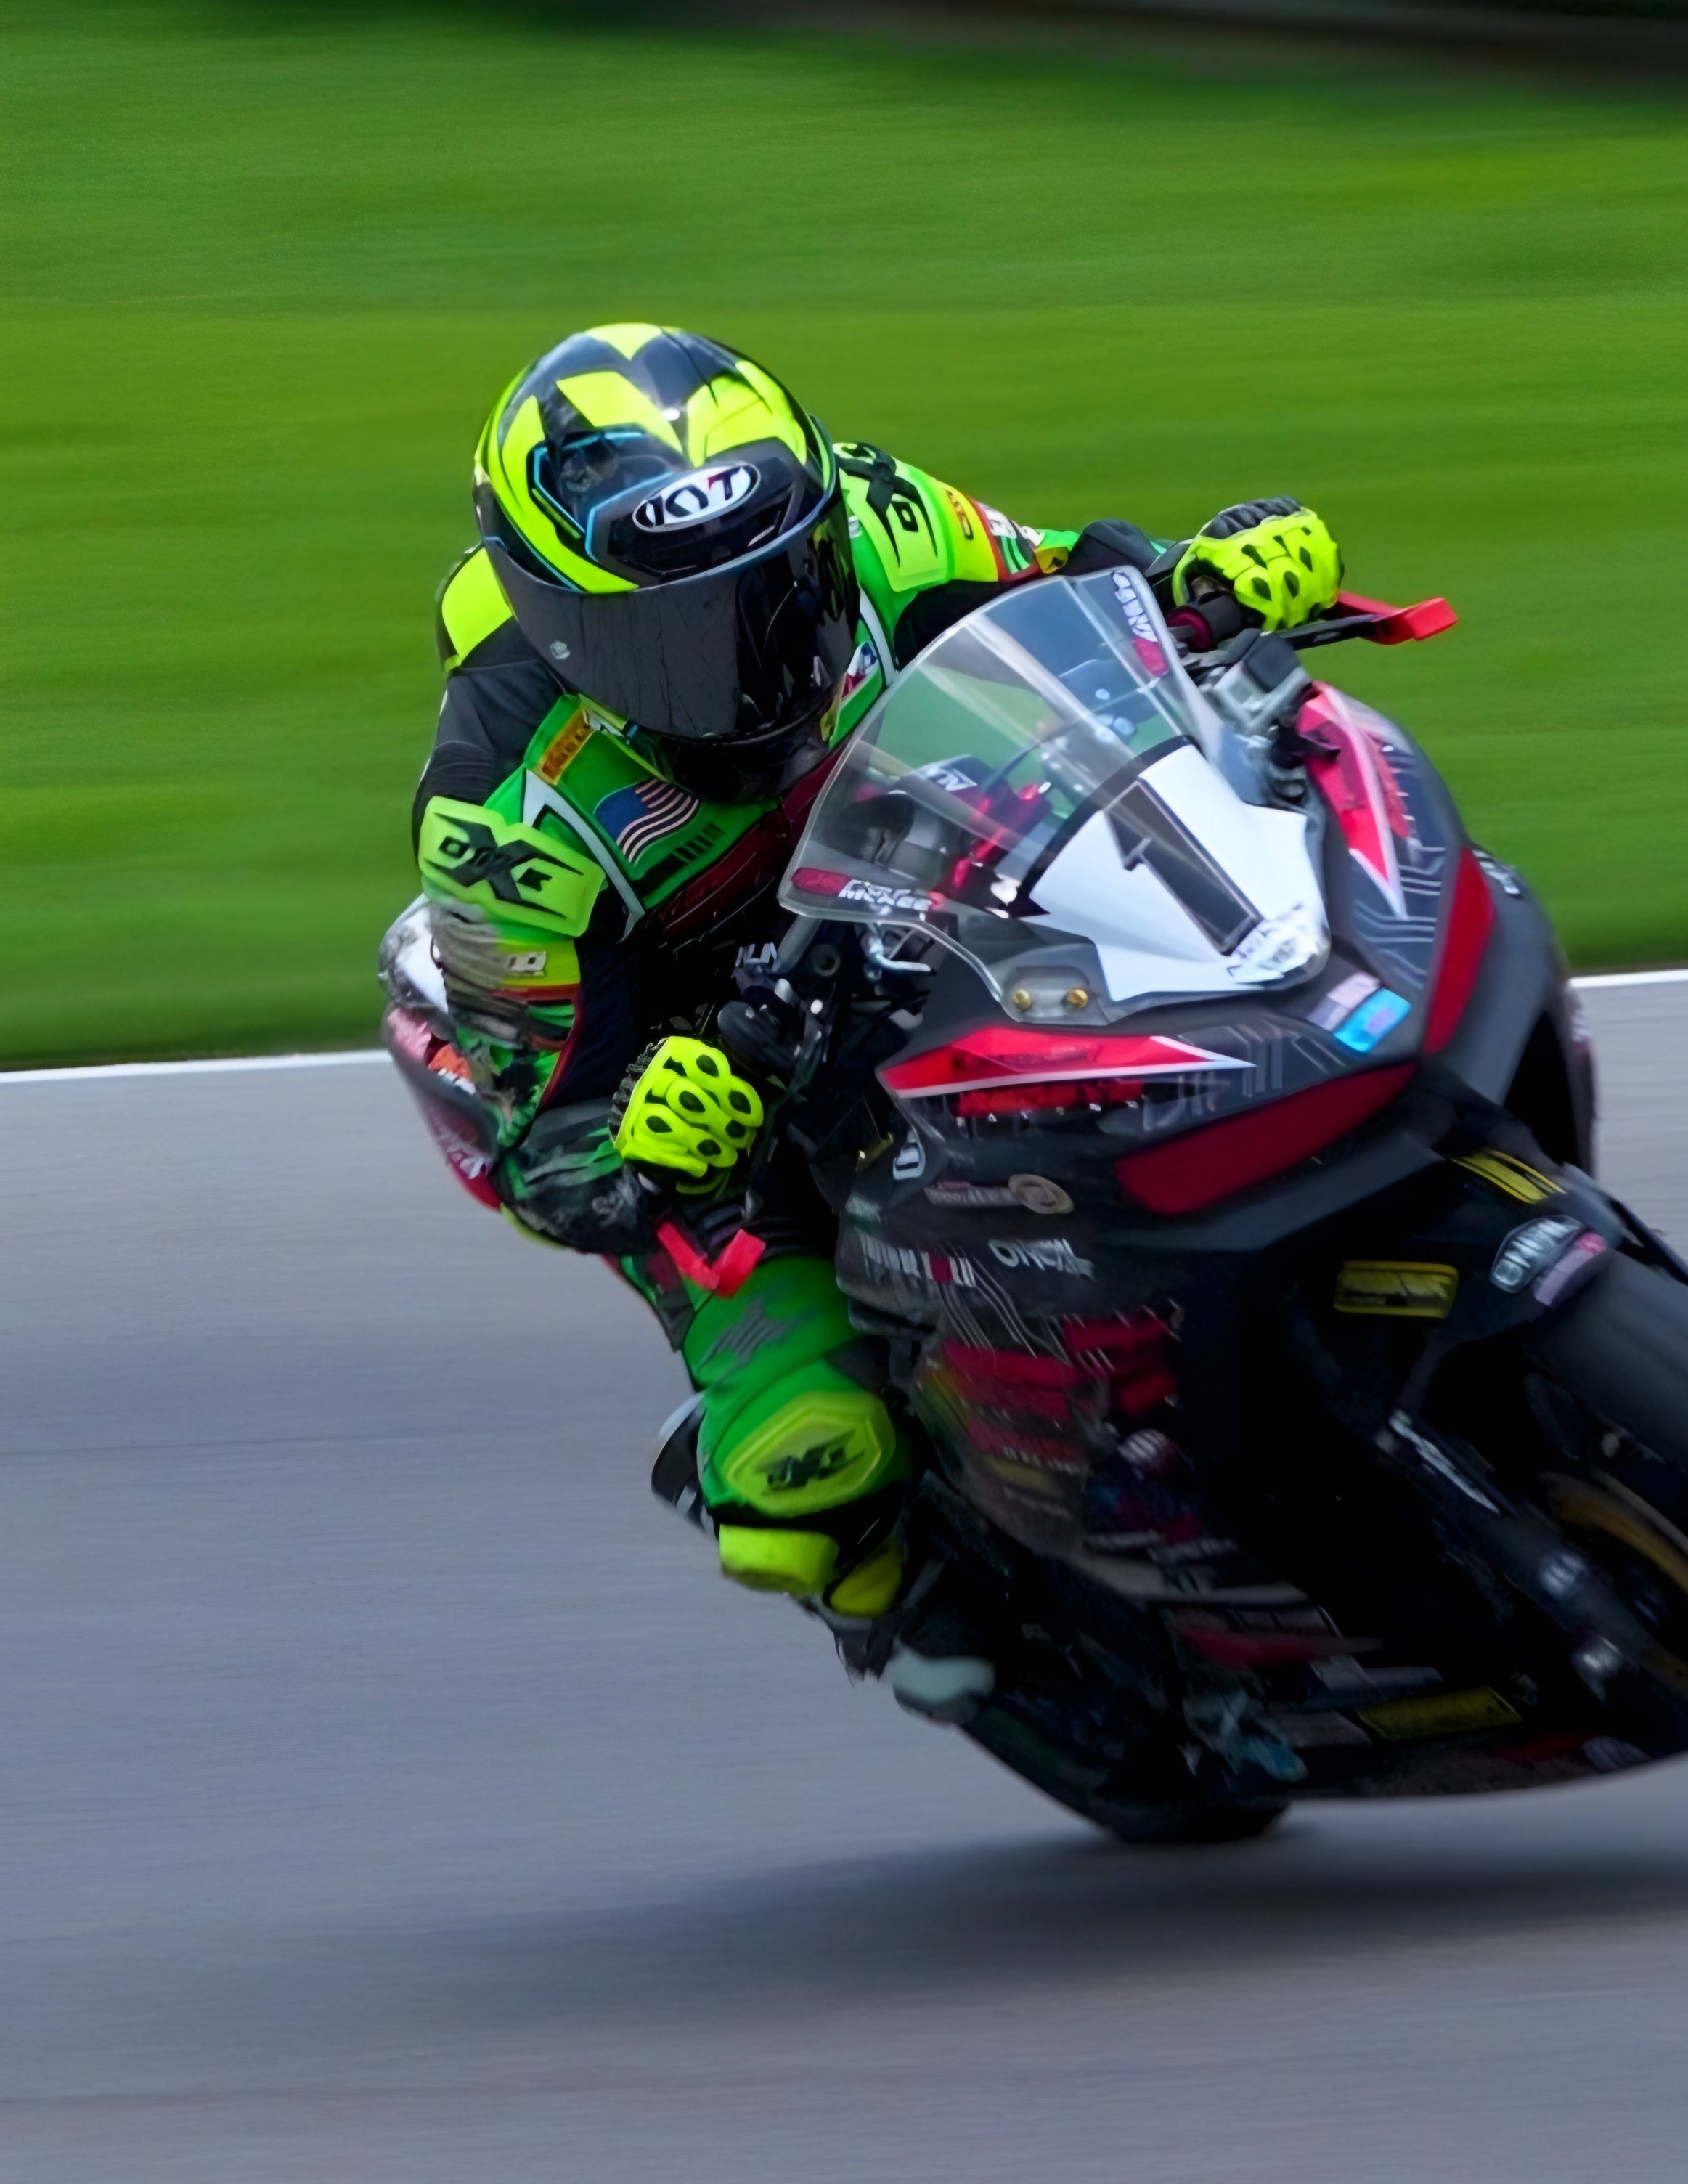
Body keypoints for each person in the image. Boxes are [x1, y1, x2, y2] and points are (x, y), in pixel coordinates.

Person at [381, 322, 1343, 1667]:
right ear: (563, 632)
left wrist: (1206, 581)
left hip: (942, 894)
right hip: (722, 1060)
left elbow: (1075, 591)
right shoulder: (504, 813)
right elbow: (551, 1149)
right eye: (675, 640)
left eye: (776, 589)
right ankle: (937, 1624)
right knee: (805, 1471)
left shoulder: (877, 511)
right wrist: (654, 1135)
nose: (748, 658)